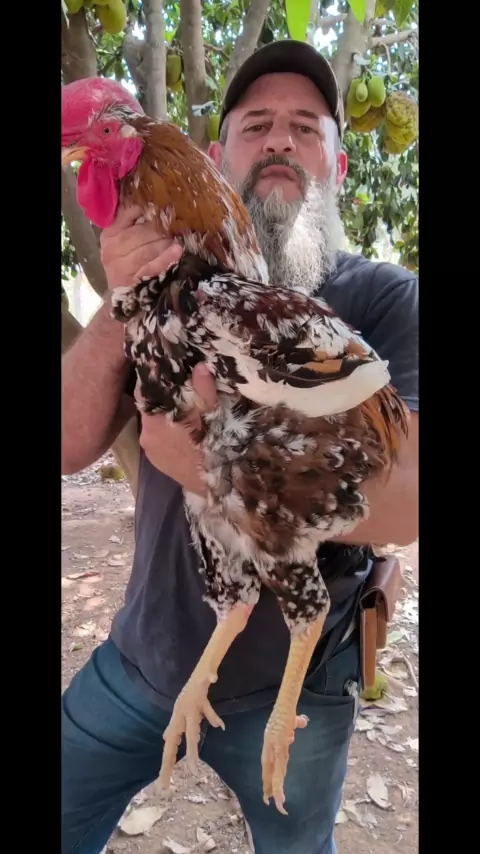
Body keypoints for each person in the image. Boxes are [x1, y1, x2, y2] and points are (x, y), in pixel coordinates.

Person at [61, 40, 418, 854]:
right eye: (257, 125)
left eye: (305, 127)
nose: (280, 140)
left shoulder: (383, 298)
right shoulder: (153, 295)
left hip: (303, 683)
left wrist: (211, 467)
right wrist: (124, 299)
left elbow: (414, 493)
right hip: (143, 653)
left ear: (340, 163)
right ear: (216, 159)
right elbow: (68, 444)